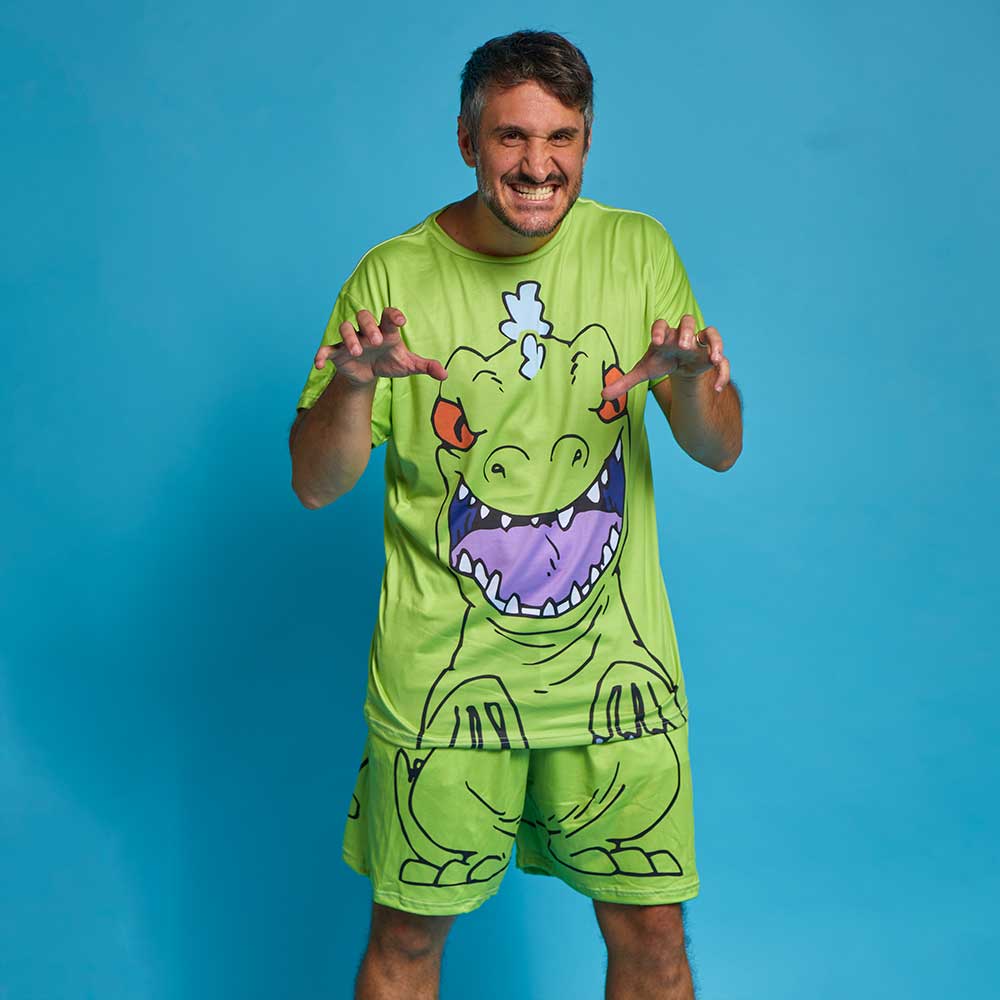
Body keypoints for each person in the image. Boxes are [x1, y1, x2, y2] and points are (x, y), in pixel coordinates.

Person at [289, 29, 742, 1000]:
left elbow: (717, 448)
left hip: (616, 681)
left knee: (654, 938)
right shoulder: (390, 280)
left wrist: (693, 382)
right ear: (466, 140)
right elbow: (316, 483)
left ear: (587, 141)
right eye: (512, 136)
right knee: (408, 942)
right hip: (443, 688)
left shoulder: (638, 250)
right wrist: (354, 389)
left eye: (561, 137)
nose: (539, 164)